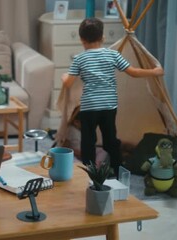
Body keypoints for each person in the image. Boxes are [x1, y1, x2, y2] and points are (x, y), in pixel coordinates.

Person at [61, 18, 164, 178]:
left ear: (81, 39)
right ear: (102, 37)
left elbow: (68, 83)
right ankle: (118, 169)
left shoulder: (80, 59)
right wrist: (154, 72)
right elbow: (133, 72)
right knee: (111, 139)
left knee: (88, 141)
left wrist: (63, 76)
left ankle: (91, 173)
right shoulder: (112, 55)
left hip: (89, 107)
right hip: (109, 106)